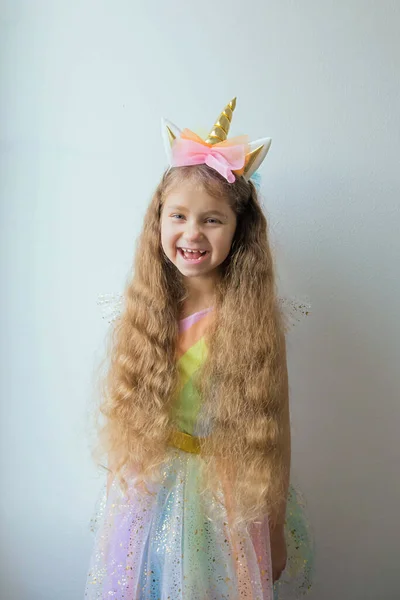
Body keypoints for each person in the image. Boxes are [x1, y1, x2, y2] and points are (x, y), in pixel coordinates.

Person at [84, 98, 314, 599]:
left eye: (212, 220)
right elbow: (129, 416)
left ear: (239, 230)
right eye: (179, 216)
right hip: (150, 494)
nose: (192, 233)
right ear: (159, 222)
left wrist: (272, 526)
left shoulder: (251, 324)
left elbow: (276, 429)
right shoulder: (143, 309)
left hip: (226, 497)